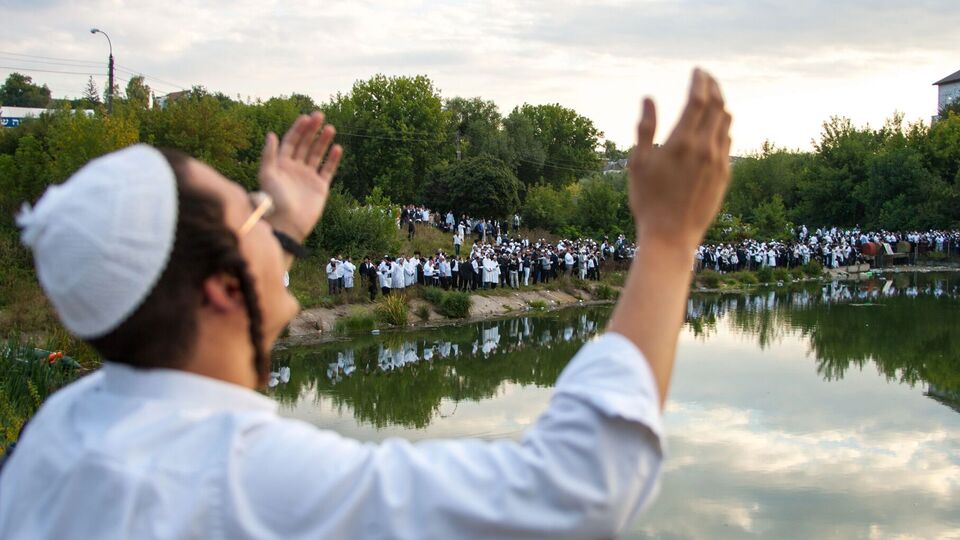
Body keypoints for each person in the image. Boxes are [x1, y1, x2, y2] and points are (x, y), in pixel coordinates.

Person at [0, 77, 731, 539]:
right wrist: (669, 239)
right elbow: (579, 490)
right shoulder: (252, 481)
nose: (268, 212)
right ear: (223, 289)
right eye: (252, 212)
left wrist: (279, 231)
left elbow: (208, 299)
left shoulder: (58, 430)